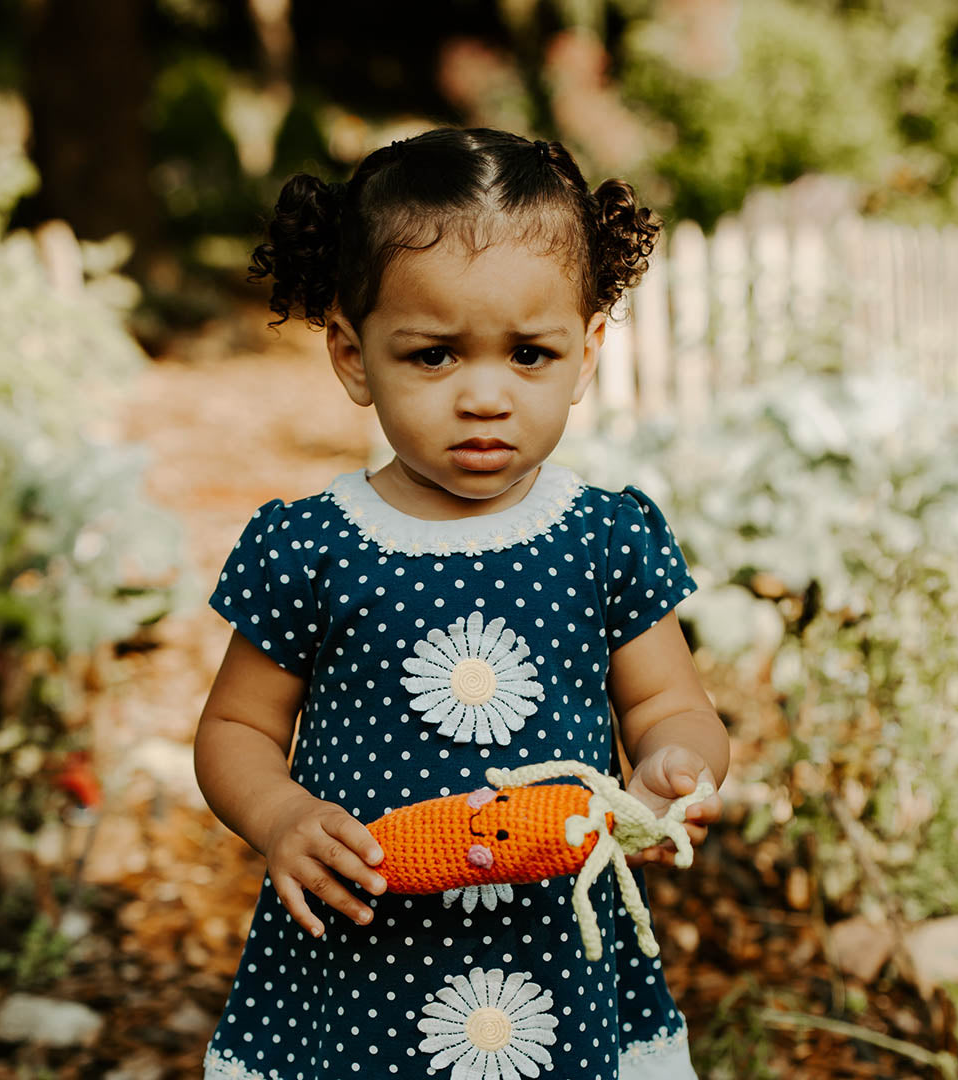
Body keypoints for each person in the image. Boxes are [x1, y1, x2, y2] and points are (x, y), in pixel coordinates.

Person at [194, 127, 729, 1080]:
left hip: (552, 957)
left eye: (529, 354)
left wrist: (676, 767)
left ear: (588, 348)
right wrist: (280, 817)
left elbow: (667, 704)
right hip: (359, 958)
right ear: (354, 357)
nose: (486, 396)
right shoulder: (313, 545)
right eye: (435, 356)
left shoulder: (605, 535)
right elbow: (235, 725)